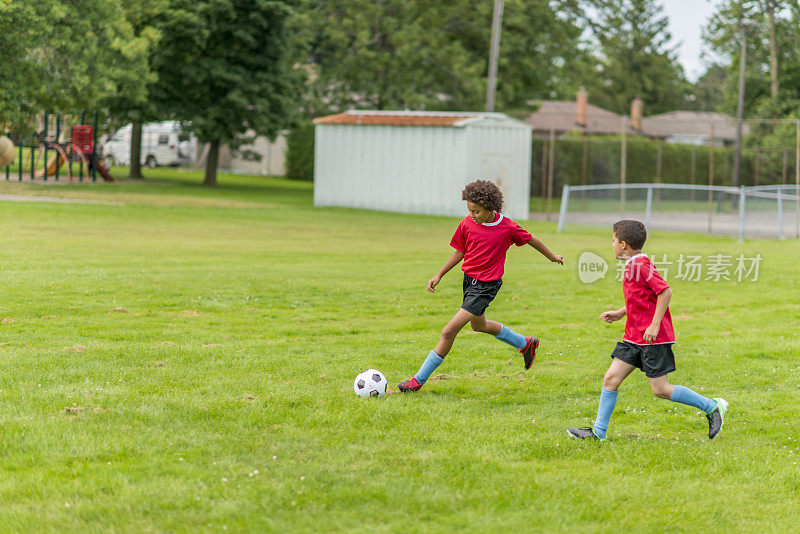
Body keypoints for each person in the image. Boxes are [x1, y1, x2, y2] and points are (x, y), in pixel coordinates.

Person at [567, 220, 727, 441]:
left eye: (612, 240)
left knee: (661, 389)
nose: (611, 244)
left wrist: (654, 324)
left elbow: (665, 293)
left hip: (652, 338)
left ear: (623, 244)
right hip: (633, 336)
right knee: (611, 379)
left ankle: (712, 406)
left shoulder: (640, 265)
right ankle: (598, 433)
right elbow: (642, 296)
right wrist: (622, 312)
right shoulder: (633, 264)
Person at [398, 180, 564, 392]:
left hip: (486, 286)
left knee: (448, 331)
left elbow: (532, 240)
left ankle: (417, 381)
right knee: (479, 326)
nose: (472, 215)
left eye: (476, 211)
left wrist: (552, 257)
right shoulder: (467, 224)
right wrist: (439, 274)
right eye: (469, 210)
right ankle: (525, 343)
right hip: (469, 280)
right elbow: (460, 251)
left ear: (490, 207)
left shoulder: (507, 227)